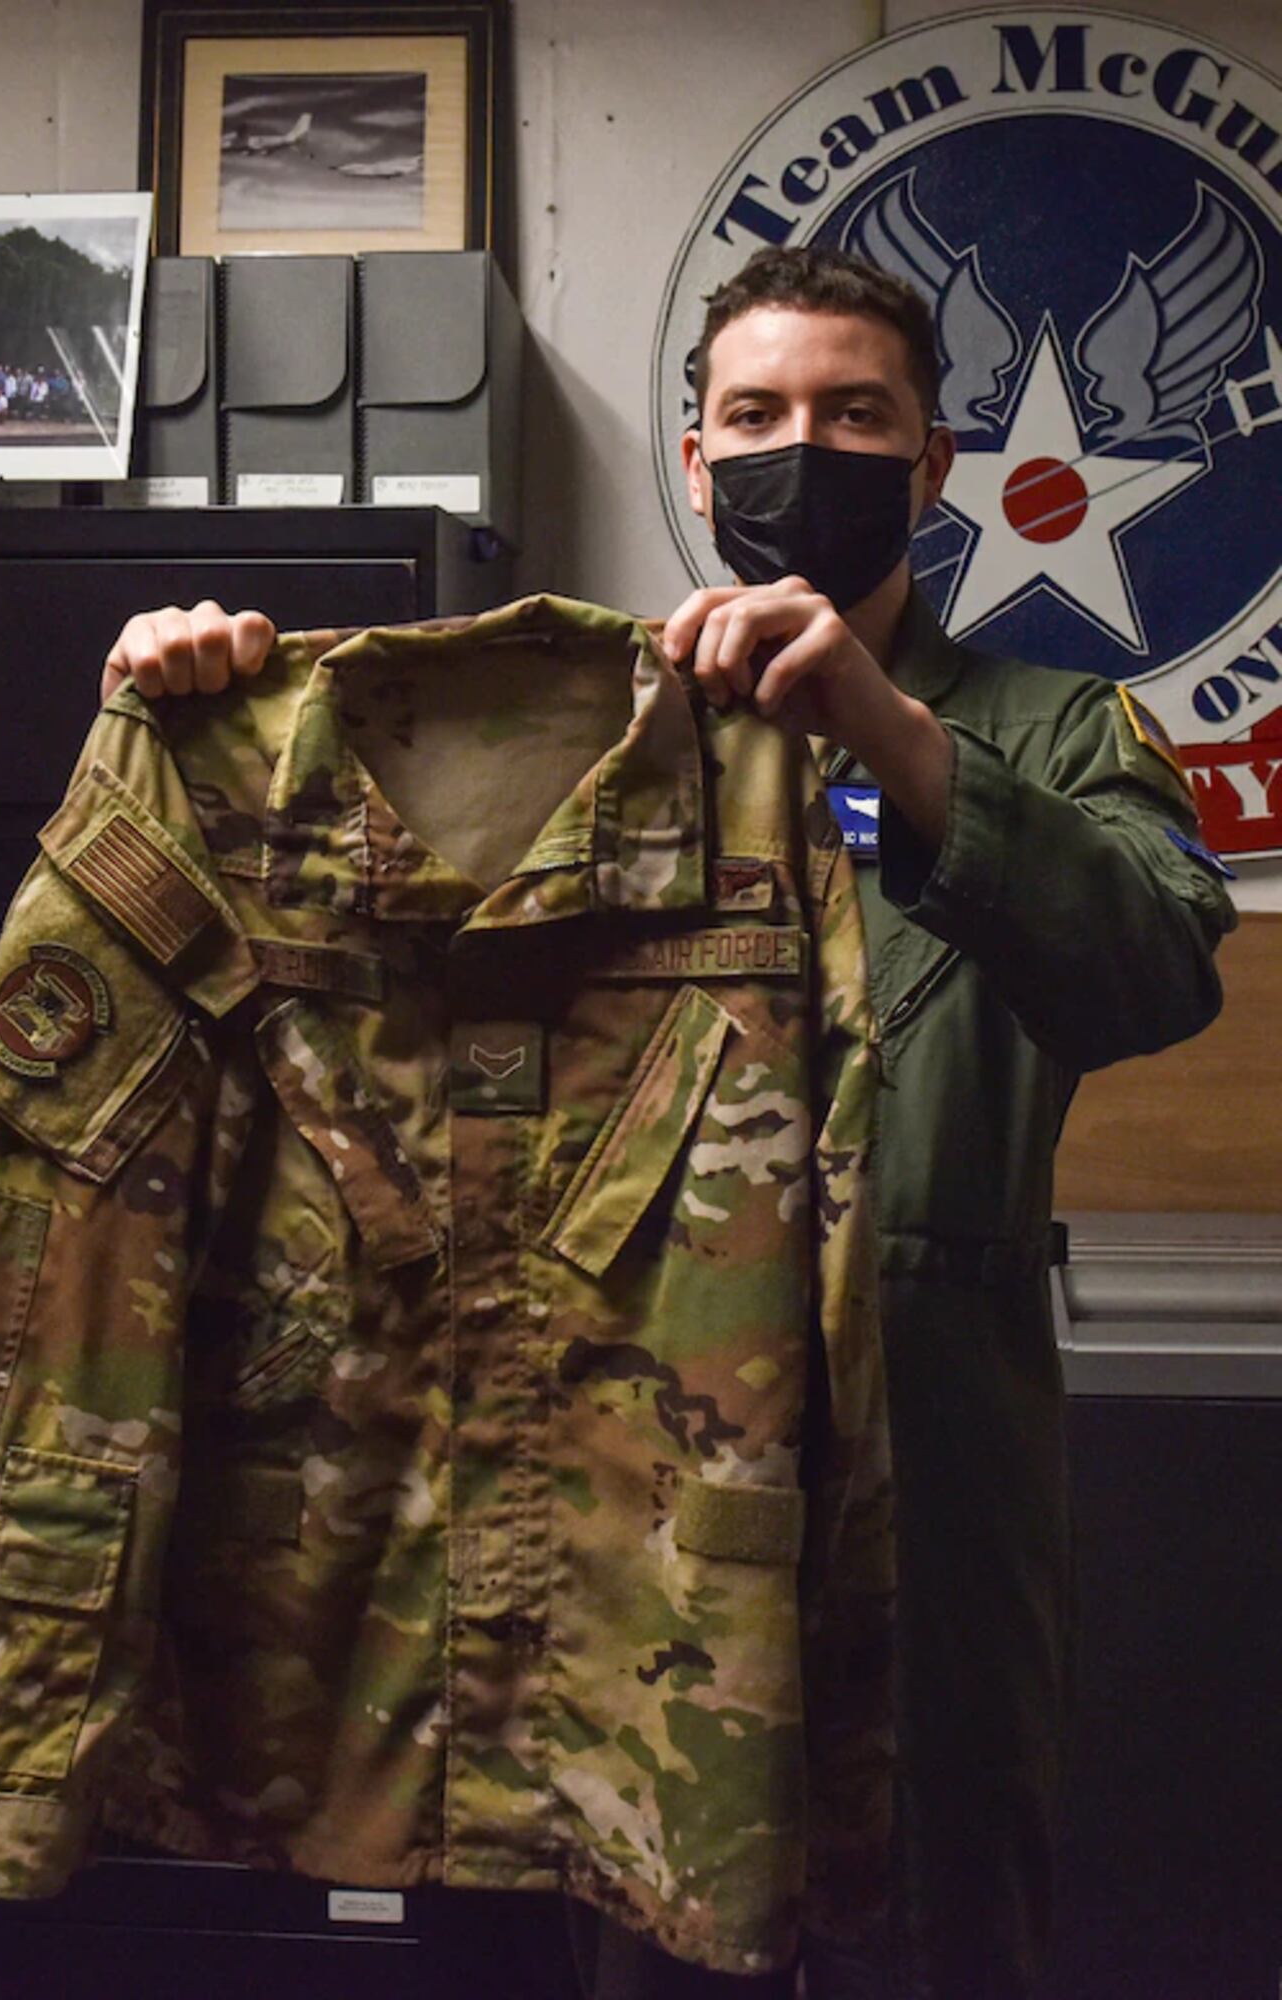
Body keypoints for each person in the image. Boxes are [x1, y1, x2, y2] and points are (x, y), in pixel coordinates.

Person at [95, 247, 1235, 1998]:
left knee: (942, 1921)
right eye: (759, 416)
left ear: (932, 467)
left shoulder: (1047, 727)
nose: (808, 449)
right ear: (696, 463)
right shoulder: (582, 727)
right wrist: (200, 702)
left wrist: (899, 742)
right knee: (657, 1935)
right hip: (633, 1467)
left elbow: (1156, 966)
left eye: (859, 416)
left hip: (939, 1465)